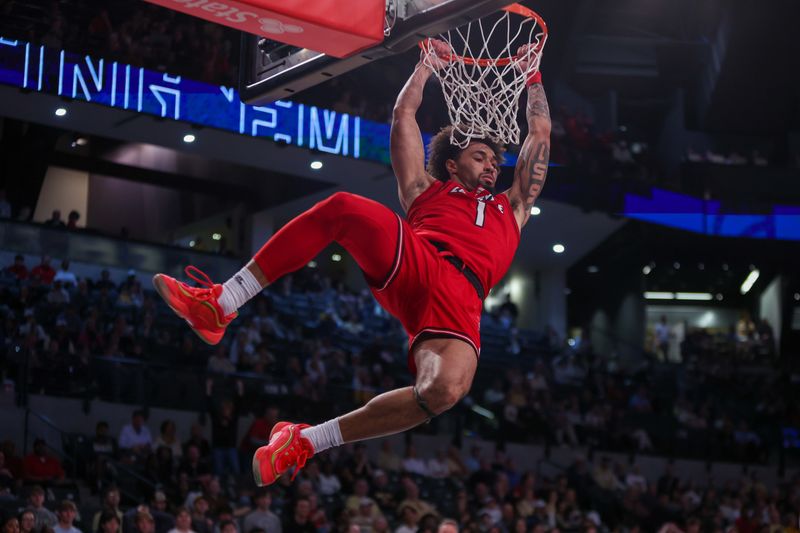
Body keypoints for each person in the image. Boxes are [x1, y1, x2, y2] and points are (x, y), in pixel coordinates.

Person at [153, 38, 551, 487]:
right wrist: (425, 67)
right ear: (453, 165)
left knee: (443, 391)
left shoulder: (512, 209)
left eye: (495, 161)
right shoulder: (425, 189)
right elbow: (404, 116)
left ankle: (305, 441)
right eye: (480, 157)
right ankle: (223, 302)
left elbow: (539, 138)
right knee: (343, 207)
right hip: (418, 259)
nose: (491, 166)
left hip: (462, 302)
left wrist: (532, 78)